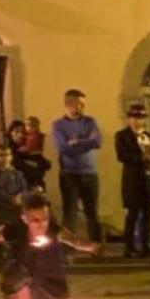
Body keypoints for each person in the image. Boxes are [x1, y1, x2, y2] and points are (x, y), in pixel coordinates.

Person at [0, 189, 98, 299]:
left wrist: (90, 246)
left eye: (45, 219)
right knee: (16, 274)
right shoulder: (16, 229)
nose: (41, 225)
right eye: (35, 220)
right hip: (22, 277)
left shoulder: (53, 230)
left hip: (47, 280)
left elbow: (74, 240)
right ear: (25, 219)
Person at [51, 88, 102, 241]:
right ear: (69, 104)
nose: (82, 107)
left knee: (92, 212)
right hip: (69, 174)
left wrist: (76, 142)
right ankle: (68, 249)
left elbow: (97, 141)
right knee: (70, 214)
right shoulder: (58, 125)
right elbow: (63, 148)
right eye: (79, 104)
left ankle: (96, 247)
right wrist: (86, 142)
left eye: (83, 104)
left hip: (90, 173)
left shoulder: (90, 121)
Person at [114, 103, 150, 257]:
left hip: (148, 179)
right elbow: (122, 156)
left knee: (147, 214)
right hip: (133, 180)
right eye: (134, 118)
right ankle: (129, 247)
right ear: (129, 119)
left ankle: (146, 245)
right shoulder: (122, 136)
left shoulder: (148, 136)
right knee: (132, 215)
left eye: (140, 118)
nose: (137, 121)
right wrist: (141, 157)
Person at [0, 139, 28, 231]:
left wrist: (20, 196)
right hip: (2, 212)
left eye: (8, 154)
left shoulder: (17, 173)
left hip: (17, 211)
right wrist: (10, 198)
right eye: (1, 155)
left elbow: (24, 188)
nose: (5, 158)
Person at [6, 118, 50, 192]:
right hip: (18, 190)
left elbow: (46, 164)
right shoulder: (8, 150)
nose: (20, 135)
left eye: (23, 132)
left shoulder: (27, 148)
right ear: (10, 132)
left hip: (36, 188)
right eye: (16, 132)